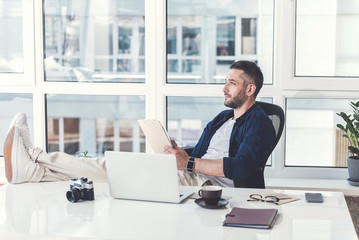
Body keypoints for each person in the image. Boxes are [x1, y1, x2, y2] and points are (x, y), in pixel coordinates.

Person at [3, 60, 275, 187]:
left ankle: (34, 157)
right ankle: (31, 169)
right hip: (194, 173)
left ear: (249, 90)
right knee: (109, 168)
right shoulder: (223, 118)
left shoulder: (259, 123)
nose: (224, 88)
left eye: (232, 82)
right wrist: (179, 151)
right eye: (225, 81)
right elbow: (204, 152)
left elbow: (241, 167)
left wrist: (188, 163)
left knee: (112, 169)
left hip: (209, 187)